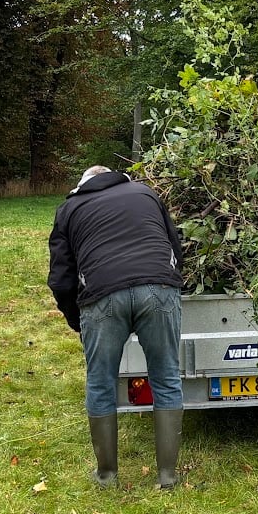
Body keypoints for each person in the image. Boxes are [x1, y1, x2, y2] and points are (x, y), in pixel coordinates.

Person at [48, 165, 186, 489]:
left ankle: (107, 476)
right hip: (159, 288)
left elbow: (60, 278)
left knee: (101, 383)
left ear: (83, 184)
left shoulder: (69, 209)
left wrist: (76, 320)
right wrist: (168, 282)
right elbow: (175, 246)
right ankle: (167, 476)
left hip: (102, 295)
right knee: (166, 377)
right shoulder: (146, 193)